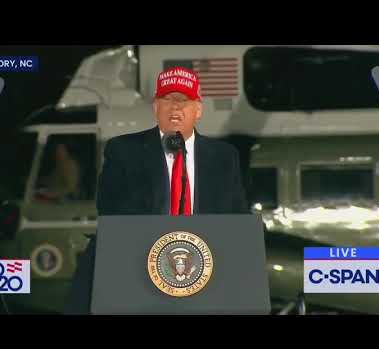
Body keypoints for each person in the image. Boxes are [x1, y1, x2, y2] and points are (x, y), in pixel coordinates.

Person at [64, 66, 248, 314]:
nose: (175, 108)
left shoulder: (225, 157)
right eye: (167, 100)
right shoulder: (124, 151)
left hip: (205, 280)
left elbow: (235, 216)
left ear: (198, 109)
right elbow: (110, 210)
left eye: (183, 100)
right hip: (140, 275)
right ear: (155, 108)